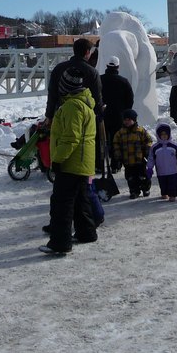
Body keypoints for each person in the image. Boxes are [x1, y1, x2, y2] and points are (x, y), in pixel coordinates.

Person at [39, 67, 98, 255]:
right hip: (82, 162)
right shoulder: (84, 103)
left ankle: (60, 242)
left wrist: (57, 160)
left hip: (72, 163)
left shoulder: (72, 106)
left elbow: (70, 138)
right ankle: (86, 232)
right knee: (81, 200)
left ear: (65, 87)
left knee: (61, 203)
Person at [44, 37, 104, 171]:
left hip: (60, 111)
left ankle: (59, 162)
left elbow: (52, 93)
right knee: (83, 142)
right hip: (85, 114)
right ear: (87, 52)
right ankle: (90, 165)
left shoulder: (59, 68)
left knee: (63, 138)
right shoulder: (92, 72)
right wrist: (99, 112)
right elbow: (96, 95)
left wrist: (49, 115)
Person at [146, 123, 177, 201]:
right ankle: (164, 193)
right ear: (158, 135)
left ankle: (172, 195)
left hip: (173, 171)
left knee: (173, 184)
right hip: (161, 171)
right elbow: (151, 158)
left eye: (166, 134)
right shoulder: (154, 147)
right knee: (162, 184)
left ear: (169, 134)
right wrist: (149, 168)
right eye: (162, 134)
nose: (164, 136)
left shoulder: (174, 146)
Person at [111, 109, 152, 198]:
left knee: (143, 176)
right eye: (125, 120)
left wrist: (147, 149)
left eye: (129, 120)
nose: (127, 122)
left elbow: (148, 140)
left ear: (134, 120)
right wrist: (118, 155)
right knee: (130, 178)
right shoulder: (120, 133)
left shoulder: (140, 130)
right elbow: (115, 143)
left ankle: (146, 188)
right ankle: (134, 191)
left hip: (139, 160)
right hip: (128, 161)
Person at [100, 56, 134, 158]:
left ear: (107, 66)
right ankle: (116, 163)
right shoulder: (124, 81)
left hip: (103, 114)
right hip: (119, 115)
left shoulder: (99, 79)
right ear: (118, 67)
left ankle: (100, 162)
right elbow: (130, 99)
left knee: (102, 138)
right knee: (117, 138)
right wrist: (126, 113)